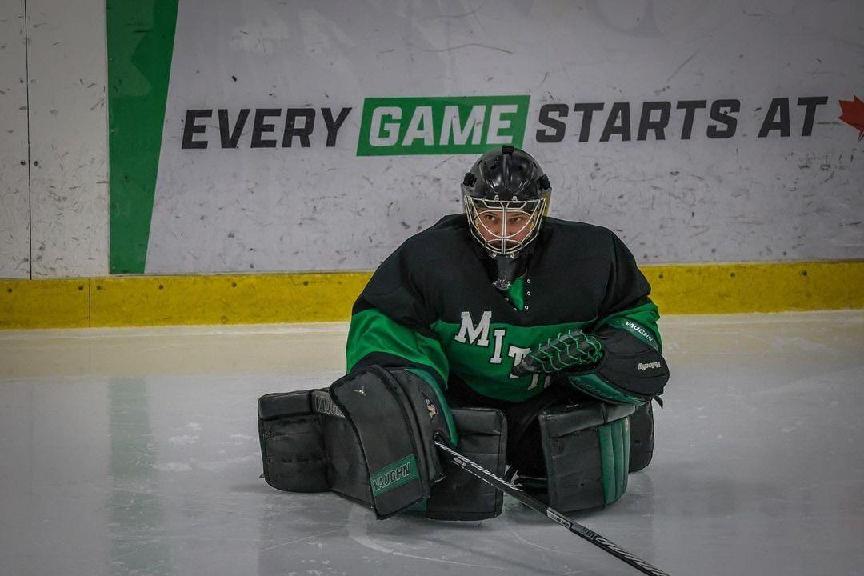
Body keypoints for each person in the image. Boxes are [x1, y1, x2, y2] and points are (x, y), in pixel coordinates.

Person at [258, 146, 669, 520]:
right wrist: (411, 392)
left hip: (550, 395)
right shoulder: (428, 258)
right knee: (428, 459)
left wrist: (599, 354)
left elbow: (636, 322)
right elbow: (384, 326)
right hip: (461, 400)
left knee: (575, 469)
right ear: (471, 210)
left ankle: (627, 425)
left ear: (539, 212)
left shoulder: (594, 254)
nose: (503, 231)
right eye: (491, 217)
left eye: (518, 218)